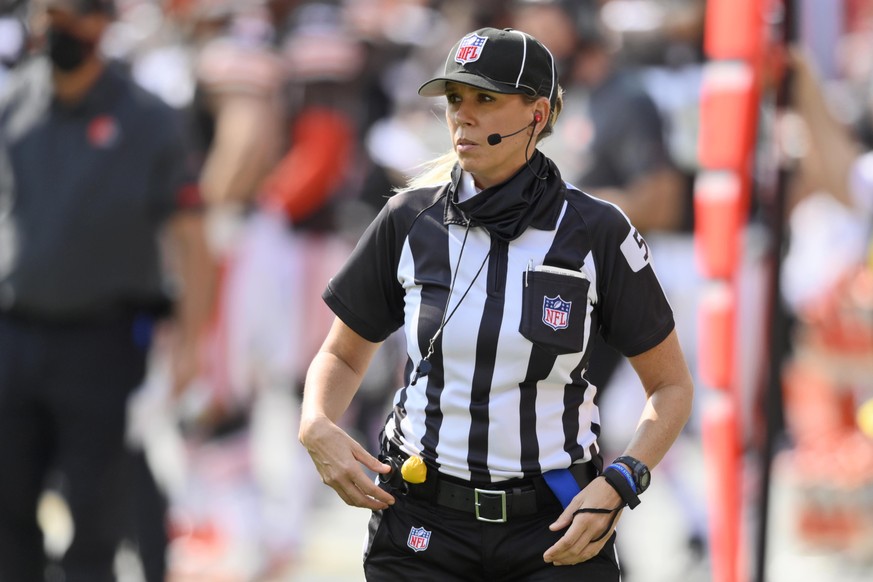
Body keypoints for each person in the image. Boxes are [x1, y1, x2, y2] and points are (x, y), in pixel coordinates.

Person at [299, 26, 694, 581]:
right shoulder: (409, 220)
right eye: (455, 99)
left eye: (486, 98)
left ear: (538, 114)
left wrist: (622, 482)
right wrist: (316, 421)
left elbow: (671, 386)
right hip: (422, 518)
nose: (463, 114)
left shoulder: (596, 231)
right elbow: (342, 355)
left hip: (554, 528)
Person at [0, 0, 215, 580]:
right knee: (8, 512)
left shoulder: (147, 118)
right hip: (13, 334)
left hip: (103, 342)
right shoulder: (13, 99)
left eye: (67, 13)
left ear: (100, 22)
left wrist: (191, 344)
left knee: (94, 518)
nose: (53, 27)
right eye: (45, 13)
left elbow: (193, 240)